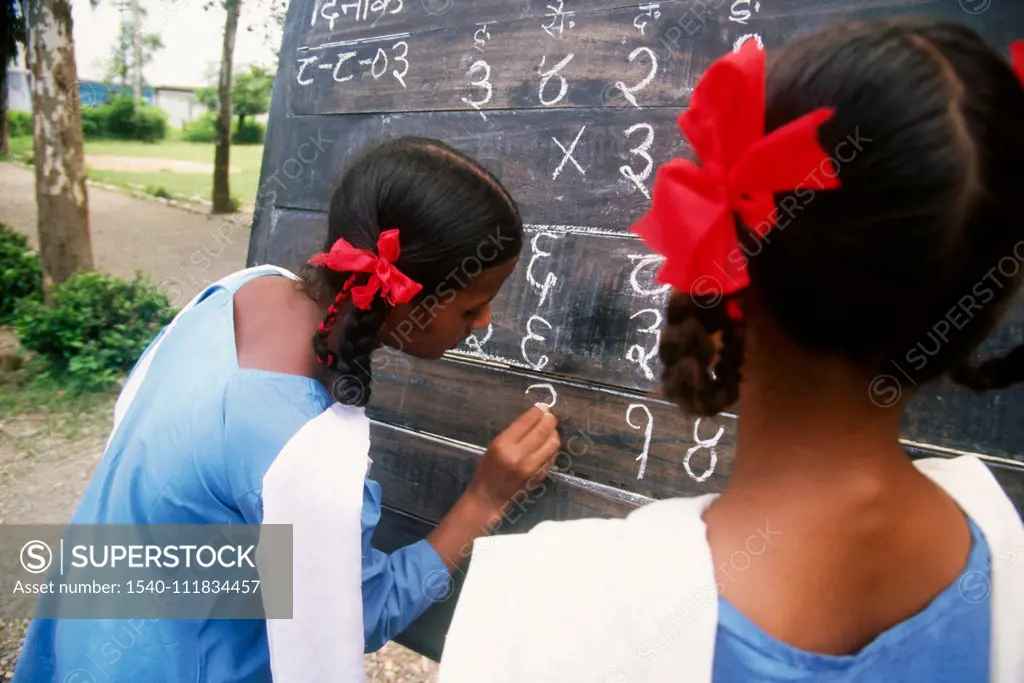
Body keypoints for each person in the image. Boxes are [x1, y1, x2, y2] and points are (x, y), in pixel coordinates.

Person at [437, 19, 1024, 683]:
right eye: (467, 306)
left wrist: (471, 514)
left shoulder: (546, 610)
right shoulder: (1002, 559)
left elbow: (291, 619)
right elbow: (295, 605)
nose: (480, 322)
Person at [13, 137, 561, 683]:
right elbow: (353, 618)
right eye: (472, 306)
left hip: (90, 626)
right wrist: (485, 499)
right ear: (403, 297)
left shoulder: (243, 288)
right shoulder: (299, 448)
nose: (485, 321)